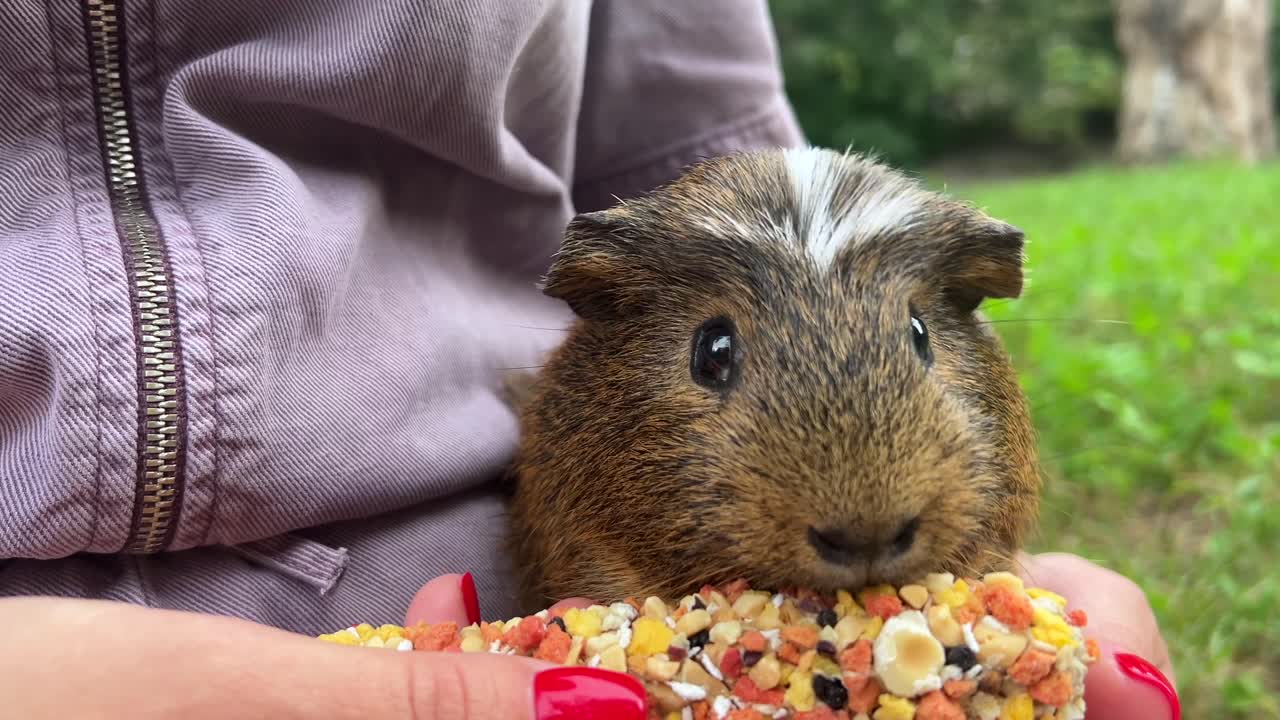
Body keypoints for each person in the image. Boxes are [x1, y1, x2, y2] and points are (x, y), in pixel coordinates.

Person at [0, 1, 1178, 718]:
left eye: (920, 342)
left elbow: (703, 143)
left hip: (485, 610)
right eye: (715, 353)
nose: (860, 505)